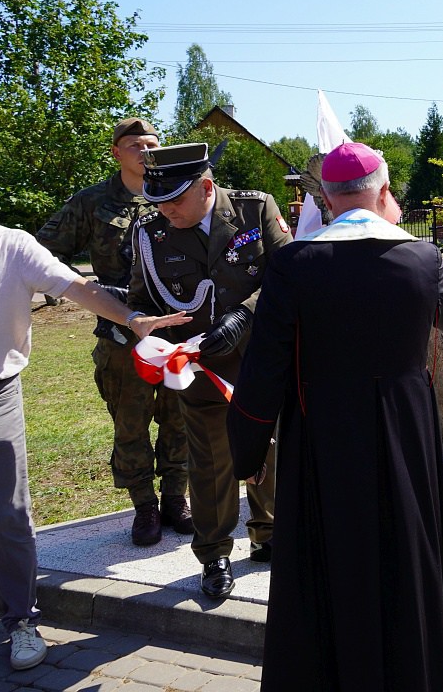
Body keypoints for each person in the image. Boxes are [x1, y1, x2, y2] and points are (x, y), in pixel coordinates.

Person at [225, 142, 443, 691]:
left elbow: (262, 371)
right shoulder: (422, 258)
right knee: (406, 562)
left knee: (328, 569)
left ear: (326, 197)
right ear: (386, 192)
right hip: (406, 441)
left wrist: (248, 453)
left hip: (323, 442)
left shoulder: (294, 264)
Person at [0, 176, 188, 670]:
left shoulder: (11, 246)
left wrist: (133, 319)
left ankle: (21, 621)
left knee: (7, 516)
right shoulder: (92, 202)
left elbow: (78, 287)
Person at [127, 143, 291, 599]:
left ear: (205, 186)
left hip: (259, 357)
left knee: (270, 445)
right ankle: (215, 551)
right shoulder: (151, 232)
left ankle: (268, 533)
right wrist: (144, 329)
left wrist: (245, 315)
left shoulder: (253, 210)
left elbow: (288, 275)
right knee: (211, 460)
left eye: (175, 199)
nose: (166, 210)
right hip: (199, 366)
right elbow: (140, 300)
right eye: (157, 200)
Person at [36, 118, 191, 547]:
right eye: (136, 145)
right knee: (130, 422)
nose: (146, 151)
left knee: (180, 418)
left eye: (153, 144)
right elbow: (44, 255)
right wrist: (94, 292)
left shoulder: (178, 192)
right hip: (122, 336)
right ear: (116, 153)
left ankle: (176, 498)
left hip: (178, 331)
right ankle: (144, 506)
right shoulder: (93, 203)